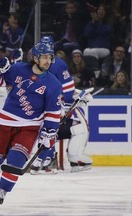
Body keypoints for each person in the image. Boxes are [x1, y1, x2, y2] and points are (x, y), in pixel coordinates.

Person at [0, 41, 63, 207]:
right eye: (44, 57)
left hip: (29, 128)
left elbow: (53, 113)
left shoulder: (54, 84)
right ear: (35, 57)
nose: (47, 61)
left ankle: (2, 191)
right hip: (5, 123)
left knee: (15, 161)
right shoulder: (19, 69)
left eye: (50, 57)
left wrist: (49, 133)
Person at [29, 36, 93, 174]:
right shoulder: (53, 64)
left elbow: (68, 89)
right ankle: (44, 160)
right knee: (47, 130)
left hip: (47, 106)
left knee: (50, 130)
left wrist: (65, 104)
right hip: (45, 105)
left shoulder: (54, 64)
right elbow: (68, 89)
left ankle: (46, 161)